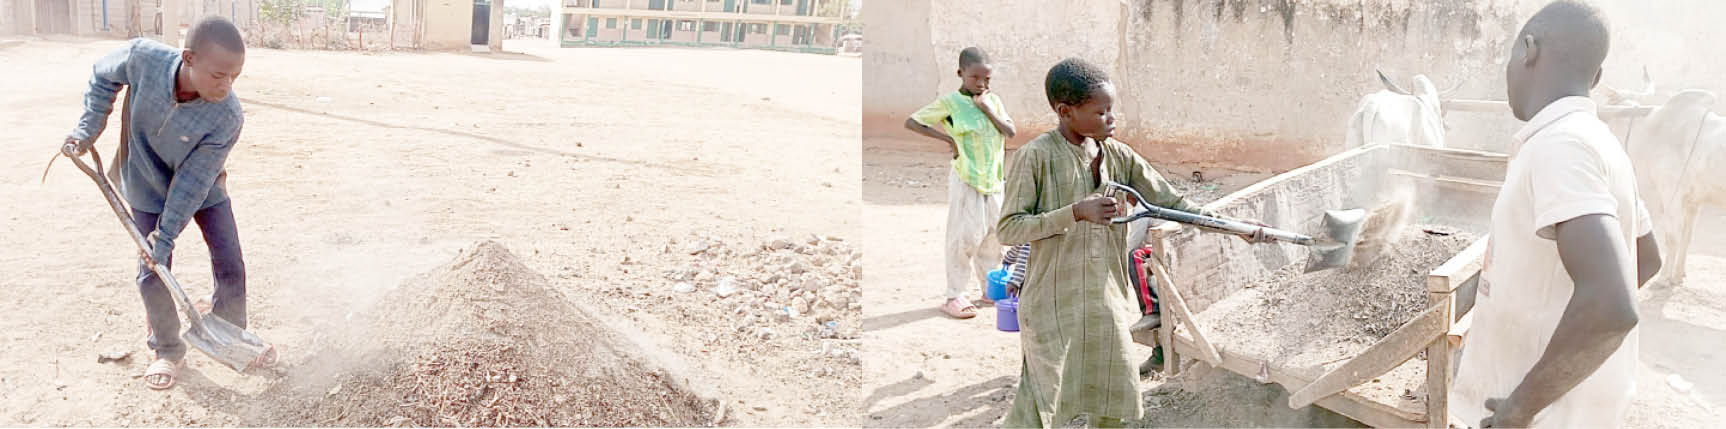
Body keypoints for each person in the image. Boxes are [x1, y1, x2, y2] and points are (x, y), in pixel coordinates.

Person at [997, 57, 1267, 428]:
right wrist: (1074, 212)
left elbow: (1173, 204)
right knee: (1045, 404)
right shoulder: (1035, 157)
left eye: (1112, 110)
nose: (1112, 119)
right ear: (1066, 112)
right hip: (1052, 307)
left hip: (1106, 300)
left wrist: (1233, 227)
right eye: (1101, 112)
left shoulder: (1119, 156)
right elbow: (1010, 229)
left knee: (1116, 395)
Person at [1450, 2, 1663, 427]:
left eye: (1510, 55)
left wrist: (1519, 408)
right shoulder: (1600, 143)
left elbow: (1611, 305)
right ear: (1596, 78)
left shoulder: (1560, 147)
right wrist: (1553, 324)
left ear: (1528, 49)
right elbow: (1648, 257)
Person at [64, 15, 273, 390]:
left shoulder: (227, 116)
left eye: (234, 77)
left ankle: (228, 333)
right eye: (218, 75)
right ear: (189, 58)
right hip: (144, 180)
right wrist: (88, 129)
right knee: (152, 271)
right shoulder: (143, 58)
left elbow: (192, 181)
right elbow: (102, 75)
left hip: (202, 187)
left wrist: (167, 233)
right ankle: (166, 348)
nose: (227, 86)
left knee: (230, 261)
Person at [905, 46, 1017, 319]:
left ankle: (990, 289)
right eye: (975, 77)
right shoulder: (949, 103)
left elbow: (1010, 132)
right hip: (967, 178)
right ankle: (954, 295)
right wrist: (949, 139)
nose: (981, 84)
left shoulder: (994, 101)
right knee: (964, 237)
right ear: (960, 74)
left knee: (993, 235)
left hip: (994, 179)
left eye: (986, 79)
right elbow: (913, 122)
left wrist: (987, 108)